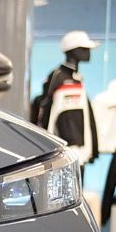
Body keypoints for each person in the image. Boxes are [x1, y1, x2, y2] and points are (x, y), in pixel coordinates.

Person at [32, 30, 101, 166]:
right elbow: (44, 109)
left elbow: (86, 117)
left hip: (80, 151)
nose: (88, 53)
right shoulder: (57, 76)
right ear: (72, 50)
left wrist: (93, 149)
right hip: (63, 150)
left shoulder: (77, 78)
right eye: (84, 48)